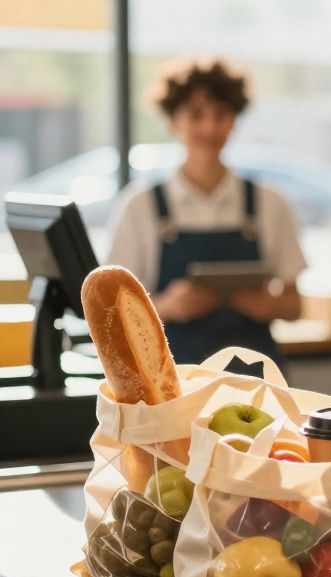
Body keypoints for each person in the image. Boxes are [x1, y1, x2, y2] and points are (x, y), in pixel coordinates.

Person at [107, 57, 305, 368]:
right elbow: (115, 314)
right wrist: (167, 306)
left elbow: (295, 307)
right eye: (196, 114)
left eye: (221, 115)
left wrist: (269, 305)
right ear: (173, 121)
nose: (209, 127)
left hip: (257, 383)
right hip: (173, 381)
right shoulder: (139, 207)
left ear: (234, 120)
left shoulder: (271, 203)